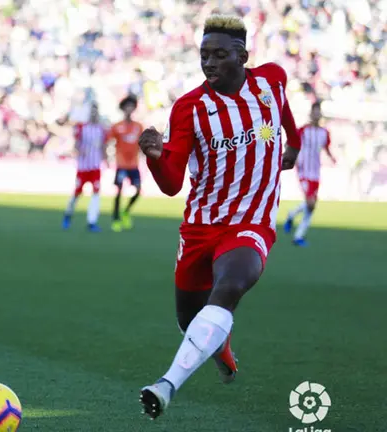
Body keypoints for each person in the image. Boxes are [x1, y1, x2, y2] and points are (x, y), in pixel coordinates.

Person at [136, 14, 300, 419]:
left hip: (251, 221)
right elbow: (173, 183)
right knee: (189, 318)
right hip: (202, 225)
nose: (209, 63)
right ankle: (221, 349)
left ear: (242, 56)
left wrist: (292, 146)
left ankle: (166, 385)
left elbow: (284, 115)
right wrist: (156, 158)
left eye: (220, 55)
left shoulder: (271, 81)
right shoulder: (190, 108)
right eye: (203, 55)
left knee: (229, 286)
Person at [283, 101, 336, 246]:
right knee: (311, 203)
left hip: (316, 172)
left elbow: (326, 147)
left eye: (319, 111)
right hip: (304, 171)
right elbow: (290, 142)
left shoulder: (324, 133)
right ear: (311, 113)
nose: (317, 114)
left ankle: (292, 216)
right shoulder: (303, 130)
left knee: (312, 205)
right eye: (315, 111)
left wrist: (332, 158)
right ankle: (298, 236)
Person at [62, 102, 107, 232]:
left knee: (96, 193)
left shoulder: (101, 129)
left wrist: (105, 160)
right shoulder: (81, 127)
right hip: (83, 167)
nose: (94, 114)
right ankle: (68, 214)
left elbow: (103, 146)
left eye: (95, 111)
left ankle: (92, 221)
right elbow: (76, 144)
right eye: (92, 111)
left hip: (95, 167)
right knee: (77, 193)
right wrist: (79, 151)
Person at [107, 94, 144, 232]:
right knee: (118, 191)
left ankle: (126, 211)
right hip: (121, 164)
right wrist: (108, 157)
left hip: (134, 164)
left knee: (138, 190)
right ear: (123, 109)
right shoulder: (117, 126)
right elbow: (109, 142)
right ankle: (115, 219)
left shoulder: (138, 126)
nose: (129, 109)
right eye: (127, 107)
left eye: (131, 106)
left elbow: (141, 144)